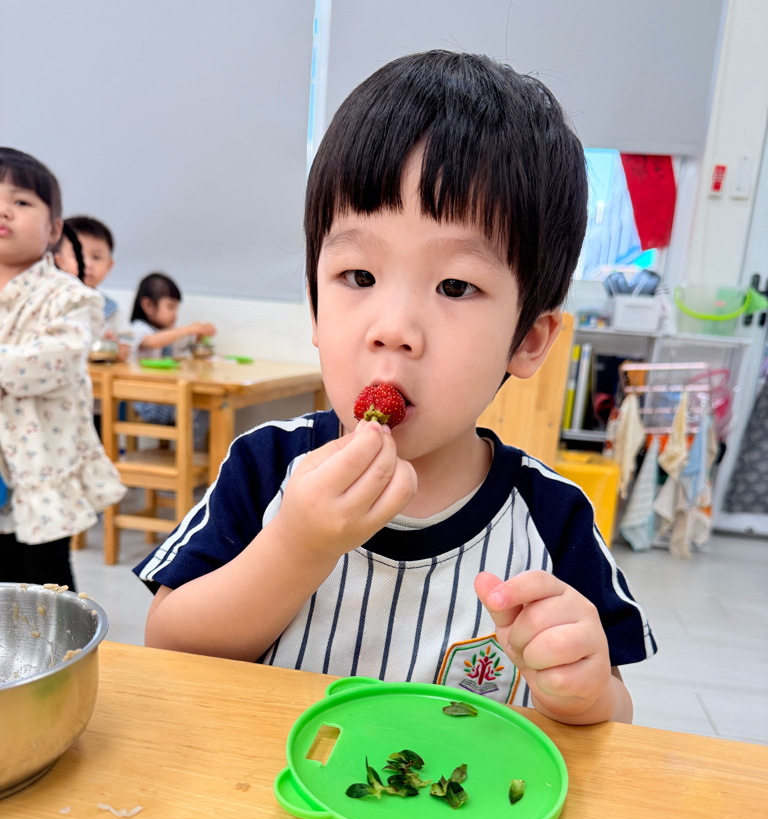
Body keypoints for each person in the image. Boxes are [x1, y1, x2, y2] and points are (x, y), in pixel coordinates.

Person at [135, 51, 656, 726]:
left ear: (528, 340)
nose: (393, 330)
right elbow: (168, 646)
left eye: (455, 286)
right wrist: (296, 547)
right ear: (315, 309)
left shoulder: (553, 517)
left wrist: (582, 691)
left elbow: (613, 717)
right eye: (358, 277)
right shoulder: (265, 468)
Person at [0, 148, 125, 590]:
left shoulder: (69, 296)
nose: (3, 210)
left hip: (40, 470)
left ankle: (58, 637)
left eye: (21, 201)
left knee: (44, 583)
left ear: (54, 230)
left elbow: (53, 360)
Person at [129, 272, 215, 449]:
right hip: (147, 401)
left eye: (177, 309)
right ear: (148, 305)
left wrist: (200, 334)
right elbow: (152, 342)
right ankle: (193, 453)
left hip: (167, 397)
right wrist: (186, 329)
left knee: (205, 402)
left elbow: (182, 343)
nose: (175, 315)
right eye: (170, 307)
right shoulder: (138, 329)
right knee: (204, 405)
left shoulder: (168, 334)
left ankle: (193, 452)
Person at [63, 215, 133, 361]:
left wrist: (115, 346)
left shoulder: (111, 309)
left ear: (109, 266)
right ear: (58, 259)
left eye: (96, 257)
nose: (87, 264)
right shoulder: (51, 300)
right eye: (78, 255)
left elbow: (126, 347)